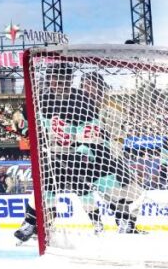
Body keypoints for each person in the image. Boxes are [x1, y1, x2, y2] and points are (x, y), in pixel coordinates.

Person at [15, 64, 145, 242]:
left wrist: (82, 150)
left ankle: (124, 222)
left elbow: (92, 132)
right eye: (54, 79)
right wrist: (26, 131)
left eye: (62, 79)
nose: (58, 83)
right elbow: (19, 119)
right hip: (53, 154)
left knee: (108, 186)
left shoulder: (82, 101)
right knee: (45, 188)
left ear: (70, 80)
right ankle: (32, 223)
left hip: (85, 154)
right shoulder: (41, 100)